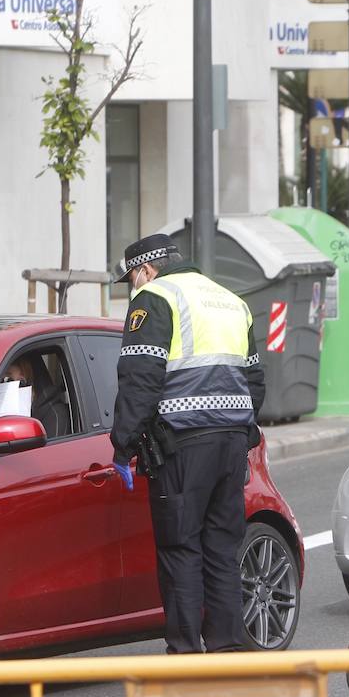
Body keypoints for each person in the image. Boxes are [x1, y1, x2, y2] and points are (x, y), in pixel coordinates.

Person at [111, 233, 266, 655]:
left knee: (180, 546)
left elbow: (140, 380)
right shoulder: (230, 300)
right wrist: (242, 432)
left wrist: (123, 446)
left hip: (181, 443)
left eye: (131, 279)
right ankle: (228, 643)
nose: (132, 287)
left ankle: (184, 648)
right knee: (221, 544)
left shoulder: (154, 297)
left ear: (145, 269)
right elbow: (254, 379)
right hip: (232, 442)